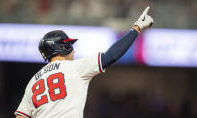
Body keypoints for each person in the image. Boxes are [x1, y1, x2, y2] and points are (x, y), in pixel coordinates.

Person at [14, 6, 154, 118]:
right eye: (69, 46)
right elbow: (111, 56)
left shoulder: (33, 81)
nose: (73, 51)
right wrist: (136, 28)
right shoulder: (75, 67)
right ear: (61, 47)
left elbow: (21, 116)